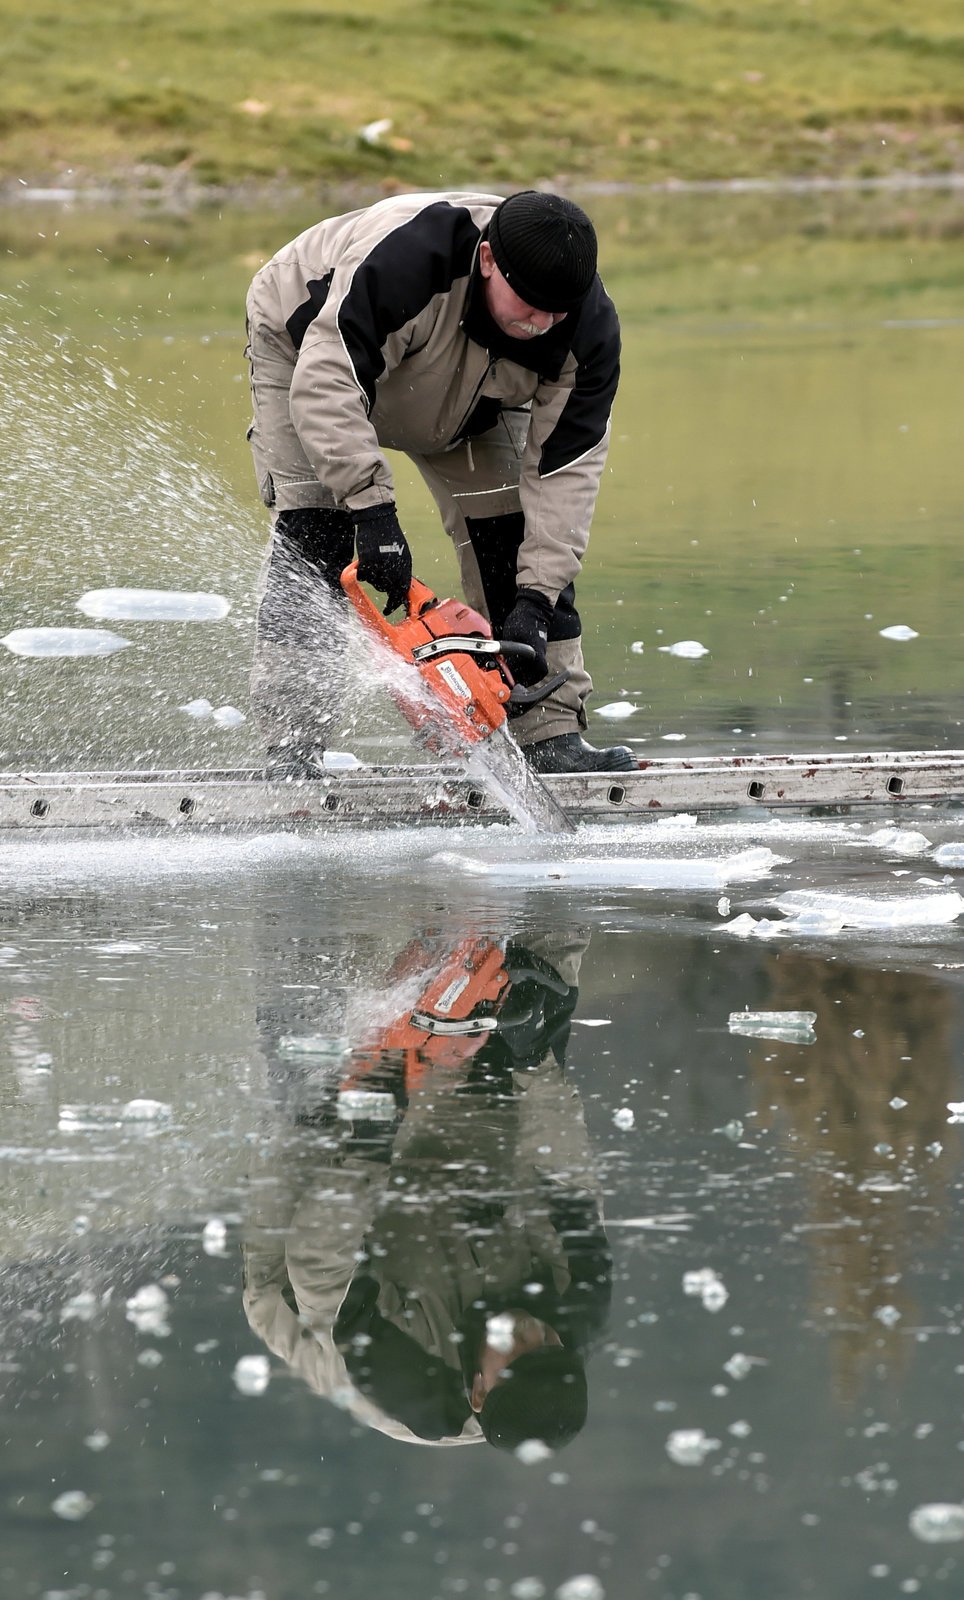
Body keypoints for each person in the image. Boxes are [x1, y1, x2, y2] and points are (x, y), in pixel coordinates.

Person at [244, 188, 635, 776]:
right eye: (529, 305)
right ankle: (290, 744)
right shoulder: (406, 260)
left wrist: (533, 598)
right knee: (316, 536)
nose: (542, 325)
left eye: (558, 312)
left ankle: (549, 733)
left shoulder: (584, 331)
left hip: (470, 394)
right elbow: (328, 381)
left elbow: (564, 472)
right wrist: (371, 512)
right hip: (309, 348)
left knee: (511, 536)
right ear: (486, 260)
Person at [242, 920, 612, 1449]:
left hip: (314, 1276)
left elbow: (319, 1265)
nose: (534, 1328)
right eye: (549, 1339)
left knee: (317, 1085)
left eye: (521, 1347)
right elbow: (565, 1172)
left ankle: (294, 910)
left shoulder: (406, 1379)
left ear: (479, 1392)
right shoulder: (579, 1306)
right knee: (533, 1006)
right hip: (466, 1195)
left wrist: (370, 1138)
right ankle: (545, 879)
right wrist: (534, 1055)